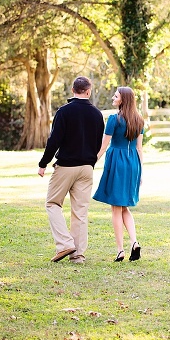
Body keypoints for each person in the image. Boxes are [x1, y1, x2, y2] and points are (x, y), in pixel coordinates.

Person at [38, 76, 105, 265]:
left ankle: (65, 244)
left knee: (52, 203)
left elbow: (54, 141)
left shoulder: (64, 112)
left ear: (73, 90)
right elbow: (98, 142)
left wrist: (43, 163)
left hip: (66, 166)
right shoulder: (97, 114)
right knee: (80, 212)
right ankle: (78, 256)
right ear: (88, 91)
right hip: (86, 168)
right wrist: (91, 162)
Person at [93, 86, 144, 262]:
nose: (113, 98)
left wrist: (92, 162)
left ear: (123, 100)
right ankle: (134, 242)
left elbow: (104, 145)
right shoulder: (139, 120)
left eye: (116, 96)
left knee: (116, 208)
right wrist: (140, 173)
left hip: (117, 163)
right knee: (124, 207)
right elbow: (139, 149)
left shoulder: (114, 119)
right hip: (133, 165)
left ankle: (120, 250)